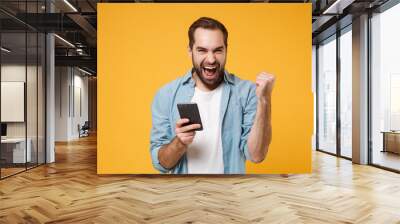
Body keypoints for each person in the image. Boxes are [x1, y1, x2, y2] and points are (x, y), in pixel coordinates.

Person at [150, 17, 275, 174]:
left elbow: (256, 155)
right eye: (202, 50)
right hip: (183, 193)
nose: (211, 59)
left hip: (229, 193)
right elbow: (161, 164)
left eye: (217, 50)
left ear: (226, 50)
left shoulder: (247, 92)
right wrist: (179, 142)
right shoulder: (166, 95)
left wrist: (264, 100)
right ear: (190, 51)